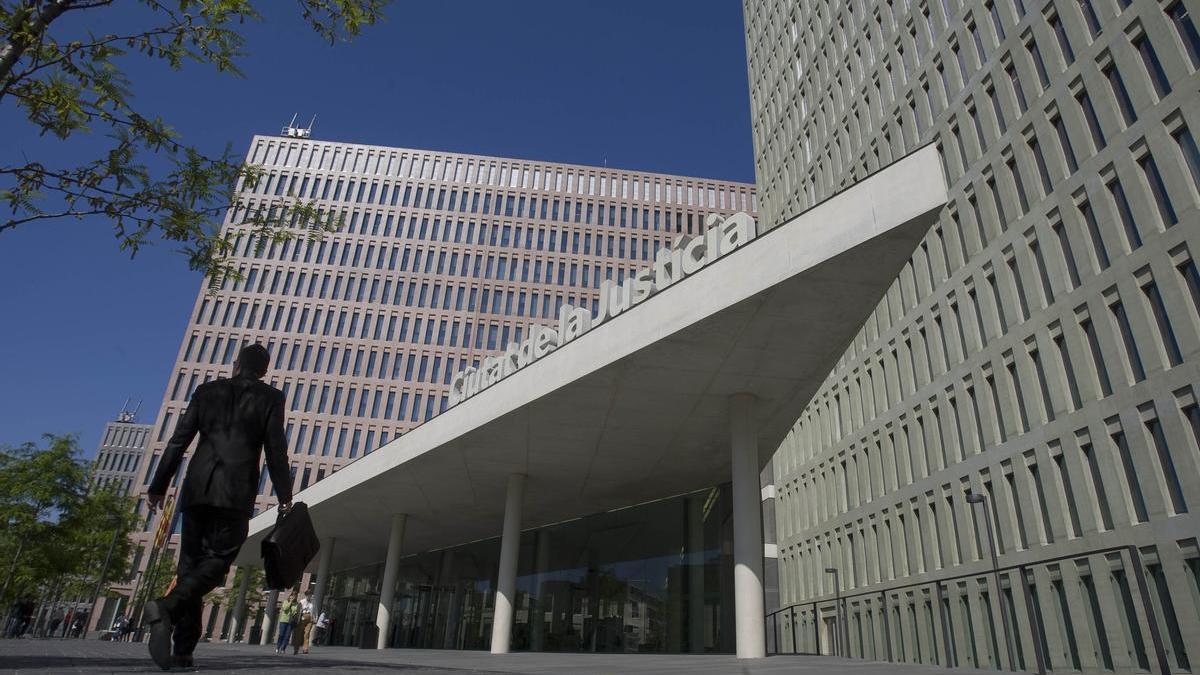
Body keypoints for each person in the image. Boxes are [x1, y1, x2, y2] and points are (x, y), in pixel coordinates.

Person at [143, 344, 293, 671]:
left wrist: (158, 486)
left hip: (197, 488)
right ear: (264, 371)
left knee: (191, 566)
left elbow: (178, 441)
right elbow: (275, 450)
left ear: (236, 364)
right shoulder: (271, 398)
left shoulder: (206, 391)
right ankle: (167, 608)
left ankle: (183, 651)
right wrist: (285, 495)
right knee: (218, 561)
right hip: (235, 492)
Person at [292, 589, 314, 655]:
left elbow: (314, 610)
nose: (309, 596)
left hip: (310, 618)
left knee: (307, 634)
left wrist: (314, 617)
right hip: (302, 617)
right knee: (299, 634)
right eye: (308, 595)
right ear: (306, 595)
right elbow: (298, 611)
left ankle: (305, 649)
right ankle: (296, 648)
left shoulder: (312, 602)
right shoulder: (302, 601)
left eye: (310, 595)